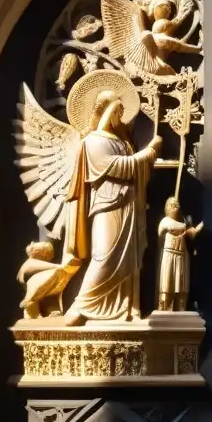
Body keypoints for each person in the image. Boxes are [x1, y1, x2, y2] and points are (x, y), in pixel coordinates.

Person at [59, 89, 162, 325]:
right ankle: (82, 304)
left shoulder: (122, 142)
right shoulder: (93, 141)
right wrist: (149, 152)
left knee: (128, 260)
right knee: (104, 256)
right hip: (107, 205)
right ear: (108, 110)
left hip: (128, 204)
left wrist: (147, 159)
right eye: (118, 111)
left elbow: (135, 173)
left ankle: (124, 308)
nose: (121, 117)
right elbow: (116, 167)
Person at [156, 197, 203, 312]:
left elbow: (193, 233)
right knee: (167, 283)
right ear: (167, 207)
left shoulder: (184, 222)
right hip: (169, 255)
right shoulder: (165, 221)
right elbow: (160, 236)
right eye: (172, 204)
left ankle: (180, 308)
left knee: (181, 284)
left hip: (181, 256)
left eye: (177, 204)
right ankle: (165, 308)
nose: (175, 206)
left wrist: (201, 224)